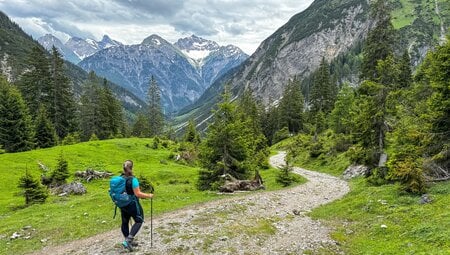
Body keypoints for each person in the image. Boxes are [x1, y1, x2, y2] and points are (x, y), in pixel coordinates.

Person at [120, 160, 153, 251]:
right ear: (132, 167)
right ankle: (128, 241)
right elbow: (138, 194)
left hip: (122, 203)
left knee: (125, 222)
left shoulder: (120, 178)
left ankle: (127, 240)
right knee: (139, 220)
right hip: (132, 203)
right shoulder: (133, 179)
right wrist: (149, 195)